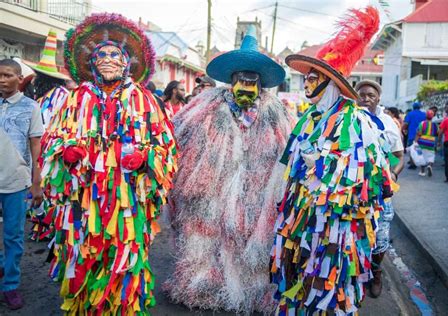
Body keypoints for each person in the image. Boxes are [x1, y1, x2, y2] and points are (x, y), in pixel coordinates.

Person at [39, 13, 177, 314]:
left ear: (127, 61)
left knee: (125, 257)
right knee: (84, 256)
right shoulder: (76, 99)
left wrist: (147, 158)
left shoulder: (146, 100)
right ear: (91, 63)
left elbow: (166, 147)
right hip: (84, 199)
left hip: (128, 203)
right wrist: (66, 151)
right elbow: (52, 139)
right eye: (101, 54)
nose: (107, 59)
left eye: (115, 54)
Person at [270, 7, 394, 315]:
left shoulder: (355, 122)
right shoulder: (310, 120)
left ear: (330, 82)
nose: (306, 84)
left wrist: (324, 170)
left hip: (334, 230)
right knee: (301, 277)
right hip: (302, 223)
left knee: (328, 284)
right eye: (305, 78)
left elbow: (366, 181)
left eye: (312, 78)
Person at [164, 26, 292, 314]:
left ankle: (249, 292)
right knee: (206, 239)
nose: (246, 86)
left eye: (252, 81)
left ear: (261, 84)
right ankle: (204, 286)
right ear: (231, 80)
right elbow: (178, 137)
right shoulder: (206, 107)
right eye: (240, 80)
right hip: (212, 189)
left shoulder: (278, 112)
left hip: (256, 192)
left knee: (248, 241)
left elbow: (287, 152)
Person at [0, 58, 44, 310]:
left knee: (13, 236)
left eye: (7, 75)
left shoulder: (30, 107)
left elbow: (36, 145)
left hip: (16, 181)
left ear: (19, 79)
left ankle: (11, 284)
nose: (2, 79)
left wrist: (36, 181)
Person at [356, 79, 404, 298]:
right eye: (362, 95)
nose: (366, 98)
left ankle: (376, 274)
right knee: (354, 236)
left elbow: (399, 157)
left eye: (371, 95)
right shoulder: (349, 120)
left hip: (381, 193)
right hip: (353, 192)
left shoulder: (388, 123)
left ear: (378, 99)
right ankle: (354, 275)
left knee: (380, 237)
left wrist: (393, 174)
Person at [415, 110, 438, 177]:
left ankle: (422, 171)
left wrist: (415, 141)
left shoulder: (422, 123)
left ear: (426, 116)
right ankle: (429, 165)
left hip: (422, 141)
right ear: (432, 116)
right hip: (431, 141)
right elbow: (437, 133)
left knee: (422, 156)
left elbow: (419, 133)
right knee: (431, 155)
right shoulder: (435, 125)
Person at [403, 101, 426, 168]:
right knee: (420, 149)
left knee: (412, 149)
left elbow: (406, 123)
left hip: (412, 134)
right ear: (420, 107)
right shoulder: (424, 114)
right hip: (422, 135)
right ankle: (422, 162)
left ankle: (412, 164)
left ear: (413, 107)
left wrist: (403, 129)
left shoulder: (410, 114)